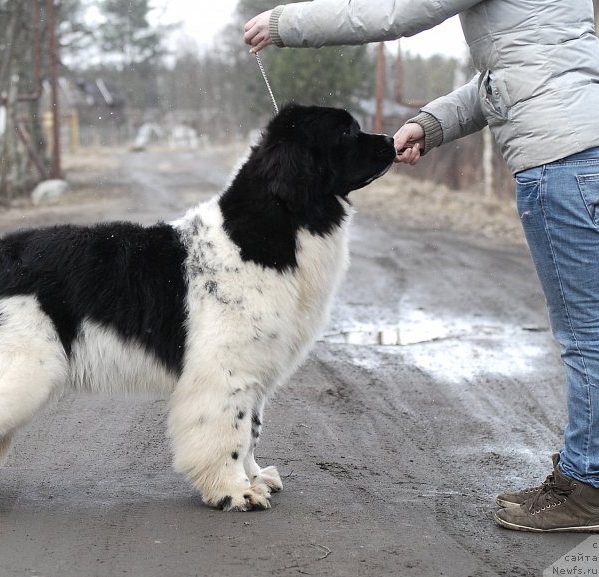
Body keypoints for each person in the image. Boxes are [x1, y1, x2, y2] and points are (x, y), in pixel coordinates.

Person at [245, 0, 599, 533]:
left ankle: (587, 487)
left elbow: (394, 12)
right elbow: (516, 77)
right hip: (584, 152)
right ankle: (582, 477)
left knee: (586, 336)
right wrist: (431, 124)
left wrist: (283, 23)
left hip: (561, 165)